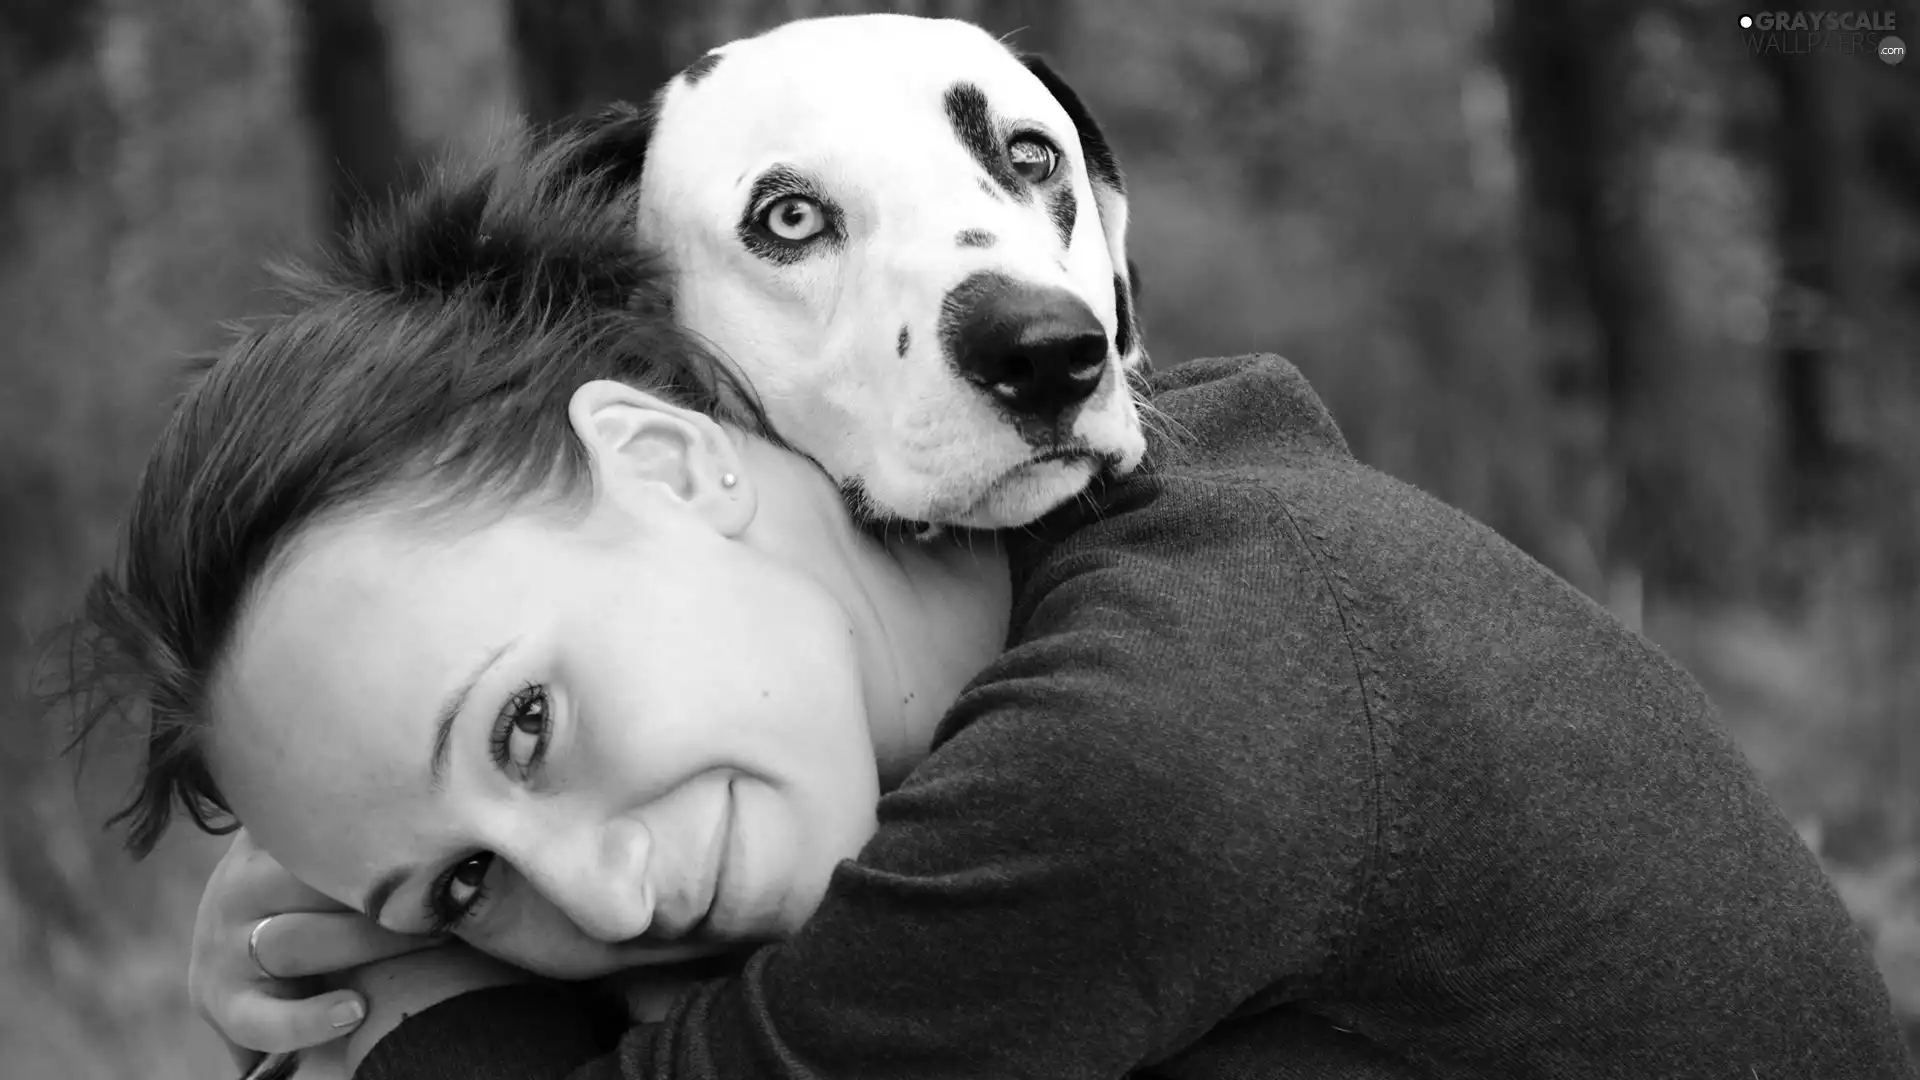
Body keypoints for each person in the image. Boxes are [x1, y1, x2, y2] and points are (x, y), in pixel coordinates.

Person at [63, 127, 1915, 1080]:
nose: (601, 899)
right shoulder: (1088, 550)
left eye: (527, 729)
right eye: (471, 884)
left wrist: (413, 998)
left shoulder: (1162, 742)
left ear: (681, 464)